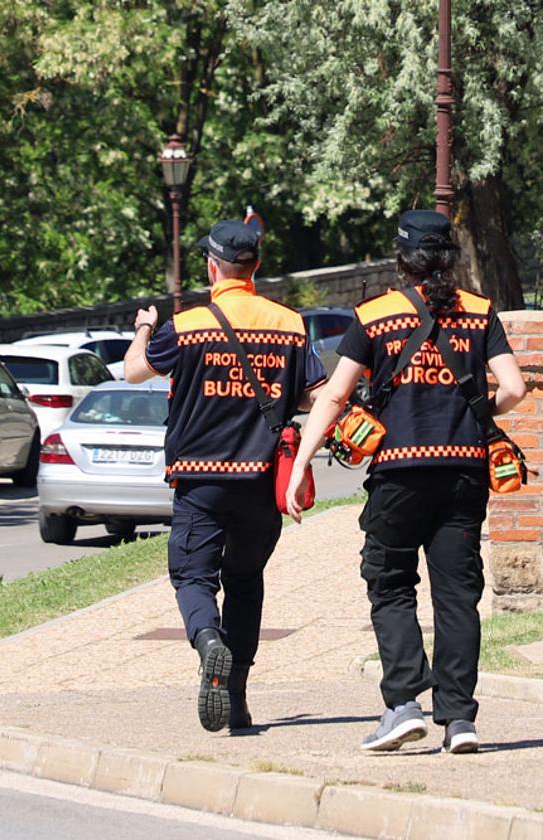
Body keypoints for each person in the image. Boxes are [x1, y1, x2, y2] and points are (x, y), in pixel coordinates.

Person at [285, 209, 527, 754]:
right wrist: (476, 413)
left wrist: (302, 462)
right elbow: (514, 388)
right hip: (465, 471)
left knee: (391, 583)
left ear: (402, 261)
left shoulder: (375, 316)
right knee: (458, 596)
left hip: (397, 473)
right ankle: (460, 721)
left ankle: (402, 705)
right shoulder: (479, 313)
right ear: (450, 257)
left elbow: (333, 396)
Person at [125, 219, 325, 732]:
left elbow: (134, 371)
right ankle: (235, 699)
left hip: (200, 479)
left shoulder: (188, 324)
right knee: (245, 582)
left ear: (212, 267)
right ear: (255, 267)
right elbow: (312, 395)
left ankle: (207, 641)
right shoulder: (289, 323)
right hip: (262, 481)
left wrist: (145, 327)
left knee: (193, 575)